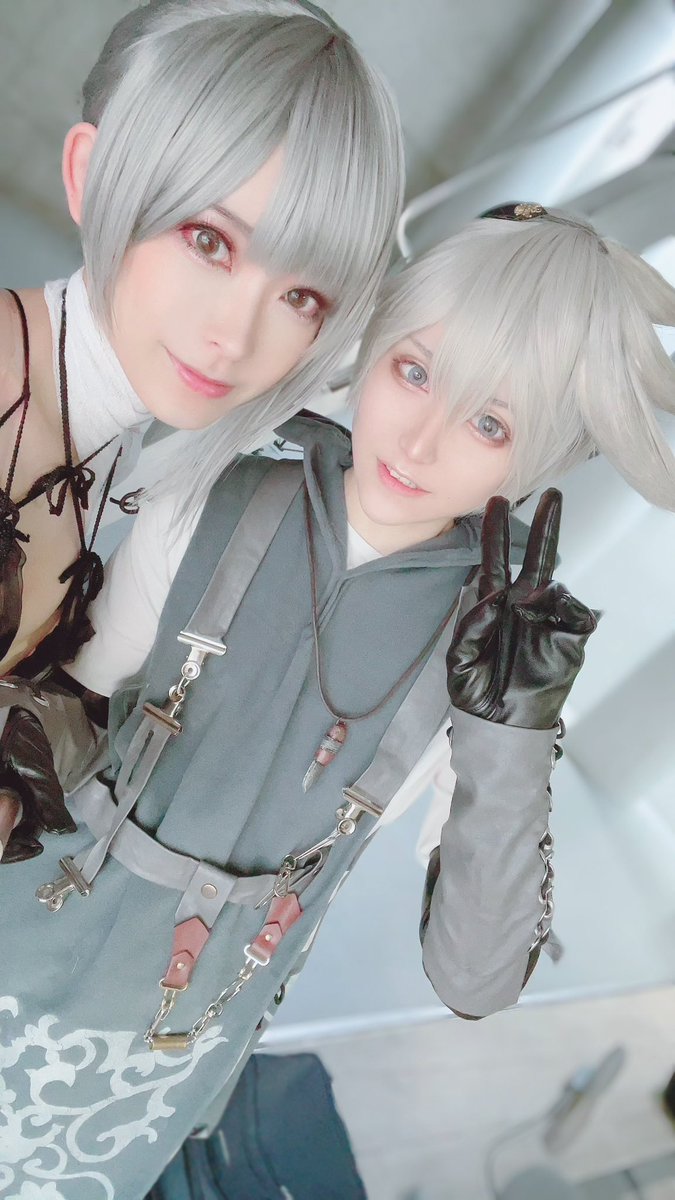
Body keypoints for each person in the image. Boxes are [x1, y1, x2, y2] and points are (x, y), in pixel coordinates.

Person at [1, 205, 674, 1199]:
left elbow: (475, 978)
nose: (424, 439)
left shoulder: (492, 657)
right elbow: (77, 705)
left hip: (151, 1065)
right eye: (415, 371)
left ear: (545, 458)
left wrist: (510, 737)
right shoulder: (216, 485)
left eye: (491, 424)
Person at [0, 0, 403, 677]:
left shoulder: (118, 452)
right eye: (209, 241)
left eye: (300, 296)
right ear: (91, 177)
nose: (236, 337)